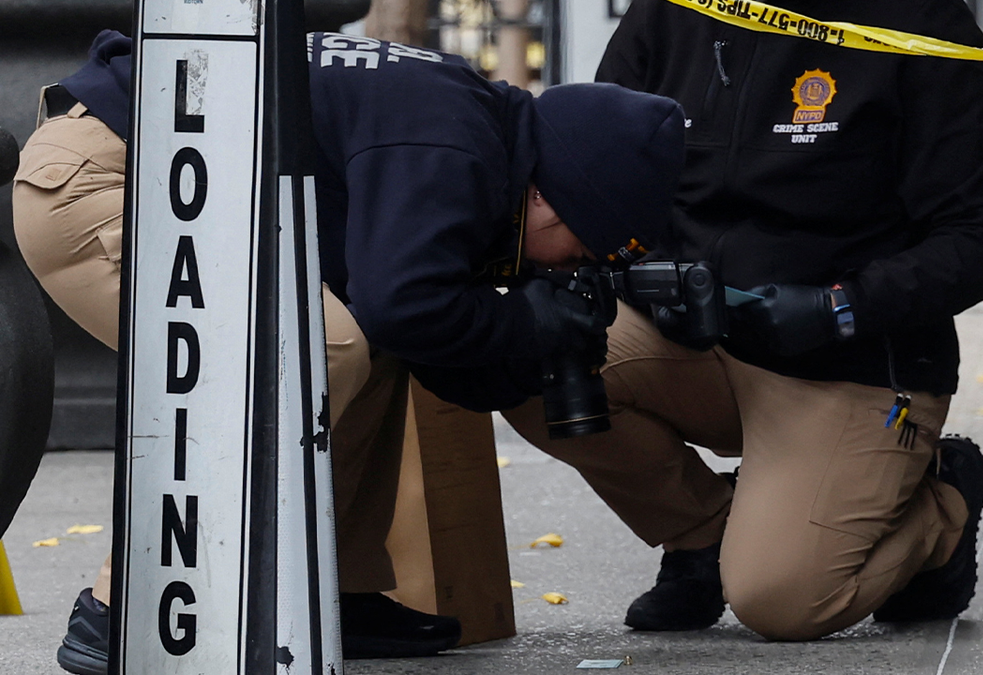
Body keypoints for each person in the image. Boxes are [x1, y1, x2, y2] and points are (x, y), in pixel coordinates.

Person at [12, 29, 684, 674]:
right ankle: (124, 602)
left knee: (364, 343)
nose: (576, 270)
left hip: (168, 175)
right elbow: (405, 304)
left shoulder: (482, 140)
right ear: (550, 201)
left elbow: (425, 343)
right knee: (307, 347)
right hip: (106, 183)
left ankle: (331, 590)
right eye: (586, 253)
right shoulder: (453, 145)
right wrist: (522, 321)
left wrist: (530, 339)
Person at [501, 0, 983, 640]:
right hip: (687, 338)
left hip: (847, 360)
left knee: (784, 602)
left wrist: (843, 307)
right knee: (516, 354)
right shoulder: (671, 13)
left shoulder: (916, 20)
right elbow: (593, 171)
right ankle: (702, 536)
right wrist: (648, 270)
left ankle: (942, 506)